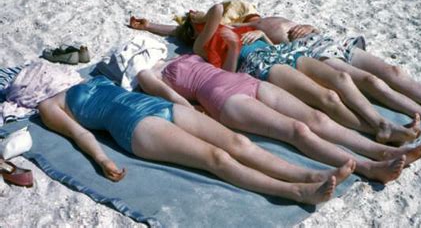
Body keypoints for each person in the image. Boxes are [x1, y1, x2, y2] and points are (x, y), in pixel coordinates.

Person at [9, 62, 352, 205]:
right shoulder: (48, 107)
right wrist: (101, 159)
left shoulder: (87, 78)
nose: (46, 72)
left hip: (153, 107)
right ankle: (295, 191)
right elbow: (79, 135)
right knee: (216, 158)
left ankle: (312, 174)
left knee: (238, 142)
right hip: (133, 128)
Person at [130, 2, 421, 140]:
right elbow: (203, 26)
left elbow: (205, 19)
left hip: (286, 50)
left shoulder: (241, 25)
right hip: (259, 65)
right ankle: (378, 127)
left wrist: (149, 25)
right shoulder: (207, 43)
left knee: (342, 82)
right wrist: (228, 42)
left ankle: (413, 119)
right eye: (192, 20)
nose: (193, 14)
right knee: (328, 97)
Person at [136, 53, 421, 183]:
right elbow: (172, 97)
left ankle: (384, 149)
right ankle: (367, 167)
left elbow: (220, 58)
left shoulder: (184, 52)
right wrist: (194, 110)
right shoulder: (146, 74)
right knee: (296, 130)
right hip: (223, 100)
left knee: (317, 117)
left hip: (241, 80)